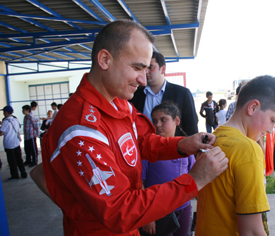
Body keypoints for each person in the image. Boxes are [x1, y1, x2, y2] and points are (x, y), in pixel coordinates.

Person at [36, 19, 228, 236]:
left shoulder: (118, 102)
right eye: (137, 67)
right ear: (105, 59)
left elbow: (141, 142)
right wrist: (194, 180)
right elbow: (119, 210)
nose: (143, 80)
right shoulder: (80, 128)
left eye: (146, 69)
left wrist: (182, 144)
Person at [195, 75, 275, 236]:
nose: (271, 129)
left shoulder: (212, 139)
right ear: (252, 107)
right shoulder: (248, 150)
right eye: (272, 120)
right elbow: (252, 231)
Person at [140, 102, 195, 236]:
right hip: (157, 211)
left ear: (177, 121)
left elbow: (194, 175)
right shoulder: (148, 150)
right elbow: (139, 184)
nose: (157, 125)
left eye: (163, 120)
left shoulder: (186, 147)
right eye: (154, 121)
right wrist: (147, 216)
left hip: (183, 209)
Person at [130, 51, 198, 137]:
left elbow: (191, 129)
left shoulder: (182, 93)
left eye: (150, 67)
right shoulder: (135, 94)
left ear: (163, 69)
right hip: (143, 148)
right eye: (143, 68)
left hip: (174, 148)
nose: (146, 72)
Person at [0, 106, 27, 180]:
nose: (3, 113)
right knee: (19, 159)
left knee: (12, 161)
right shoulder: (15, 119)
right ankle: (23, 173)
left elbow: (1, 133)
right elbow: (19, 127)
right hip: (16, 142)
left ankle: (15, 175)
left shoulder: (5, 122)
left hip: (9, 144)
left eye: (4, 111)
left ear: (6, 112)